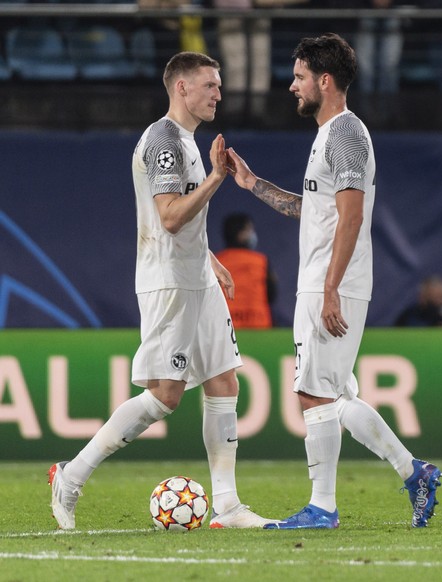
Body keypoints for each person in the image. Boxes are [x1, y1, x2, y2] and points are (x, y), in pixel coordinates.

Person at [49, 52, 276, 530]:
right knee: (166, 395)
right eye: (210, 85)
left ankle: (229, 507)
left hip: (196, 275)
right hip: (168, 280)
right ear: (181, 89)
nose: (218, 93)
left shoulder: (191, 142)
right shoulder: (165, 140)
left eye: (219, 84)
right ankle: (71, 475)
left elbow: (181, 220)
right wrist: (217, 179)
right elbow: (170, 217)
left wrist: (210, 259)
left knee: (223, 379)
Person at [225, 33, 442, 529]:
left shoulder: (345, 133)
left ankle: (324, 507)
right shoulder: (329, 135)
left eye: (299, 76)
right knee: (332, 395)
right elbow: (315, 211)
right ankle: (415, 473)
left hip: (333, 281)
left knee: (314, 394)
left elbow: (350, 217)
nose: (291, 86)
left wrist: (328, 288)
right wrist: (252, 184)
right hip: (329, 278)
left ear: (325, 81)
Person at [215, 213, 278, 328]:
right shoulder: (261, 261)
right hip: (259, 327)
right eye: (249, 229)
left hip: (226, 327)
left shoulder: (216, 263)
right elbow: (272, 294)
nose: (252, 234)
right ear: (241, 234)